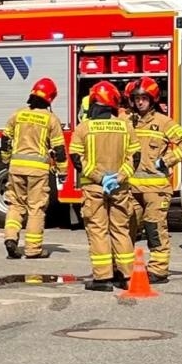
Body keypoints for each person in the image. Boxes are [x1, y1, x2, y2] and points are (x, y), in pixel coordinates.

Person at [69, 81, 140, 292]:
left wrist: (100, 178)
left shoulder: (83, 128)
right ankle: (127, 276)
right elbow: (135, 157)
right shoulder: (125, 125)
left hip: (94, 188)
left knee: (98, 231)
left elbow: (76, 158)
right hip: (120, 188)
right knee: (121, 230)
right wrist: (118, 178)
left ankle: (103, 279)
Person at [124, 77, 182, 283]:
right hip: (131, 188)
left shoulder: (163, 122)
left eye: (144, 98)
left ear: (152, 100)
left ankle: (158, 270)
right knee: (125, 228)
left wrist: (166, 161)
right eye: (136, 98)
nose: (140, 102)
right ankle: (123, 268)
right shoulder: (125, 121)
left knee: (154, 228)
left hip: (156, 188)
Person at [0, 77, 65, 260]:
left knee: (15, 205)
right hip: (37, 171)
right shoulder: (51, 120)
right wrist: (63, 171)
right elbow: (59, 149)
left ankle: (11, 238)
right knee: (36, 208)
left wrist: (6, 159)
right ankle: (33, 249)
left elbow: (5, 139)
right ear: (50, 98)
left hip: (16, 168)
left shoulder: (18, 114)